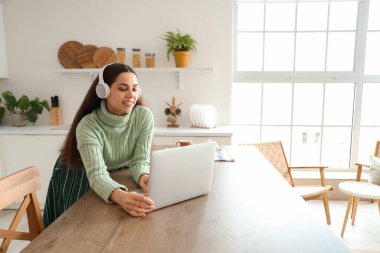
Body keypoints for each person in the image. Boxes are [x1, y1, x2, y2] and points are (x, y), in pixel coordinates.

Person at [43, 63, 155, 227]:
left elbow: (139, 160)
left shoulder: (144, 117)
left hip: (112, 172)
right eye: (123, 88)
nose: (131, 94)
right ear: (104, 91)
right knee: (75, 228)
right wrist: (121, 196)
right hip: (78, 173)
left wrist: (144, 177)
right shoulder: (88, 126)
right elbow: (97, 174)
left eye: (135, 88)